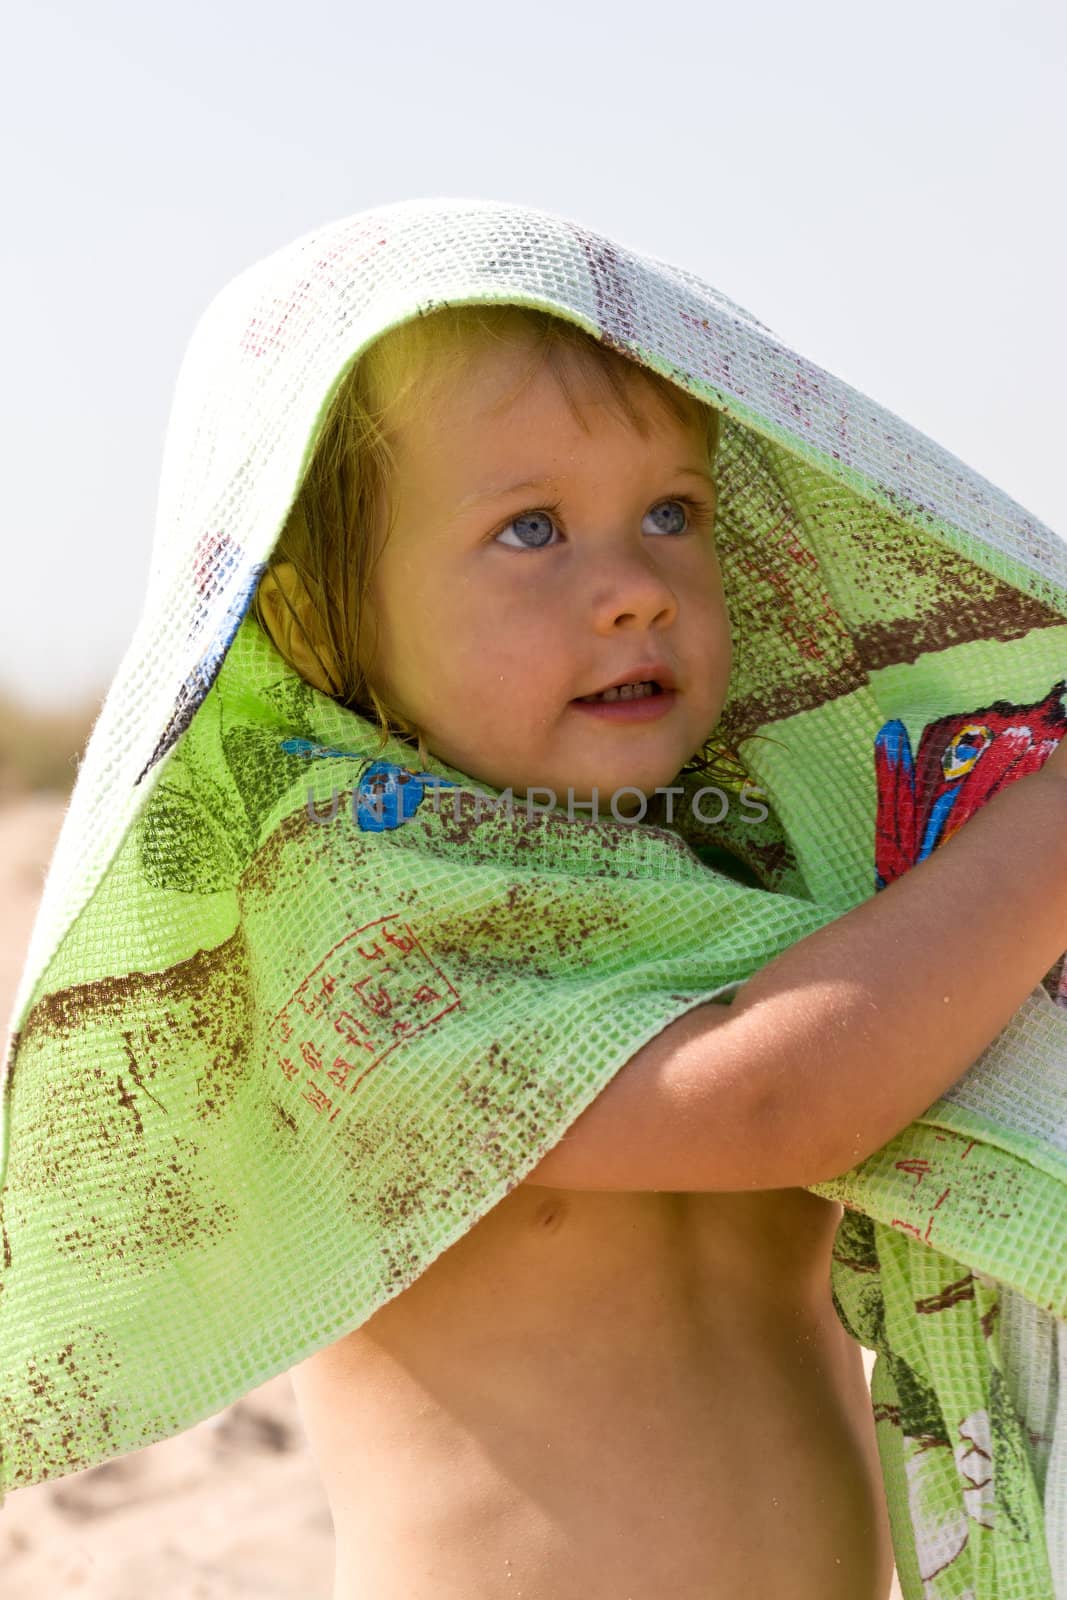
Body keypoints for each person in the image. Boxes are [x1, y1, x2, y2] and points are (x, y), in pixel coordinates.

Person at [3, 201, 1065, 1600]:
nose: (633, 589)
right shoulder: (349, 937)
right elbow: (772, 1101)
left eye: (673, 512)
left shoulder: (750, 874)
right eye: (530, 530)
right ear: (319, 607)